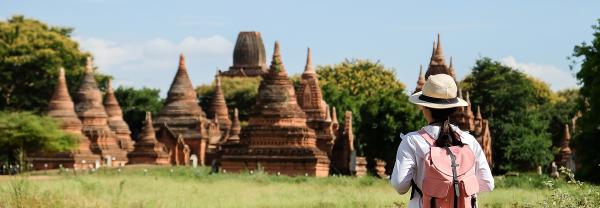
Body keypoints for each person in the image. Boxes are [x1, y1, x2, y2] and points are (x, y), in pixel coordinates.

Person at [391, 74, 494, 208]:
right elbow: (488, 184)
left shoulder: (412, 141)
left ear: (424, 107)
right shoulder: (468, 140)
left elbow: (400, 185)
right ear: (453, 108)